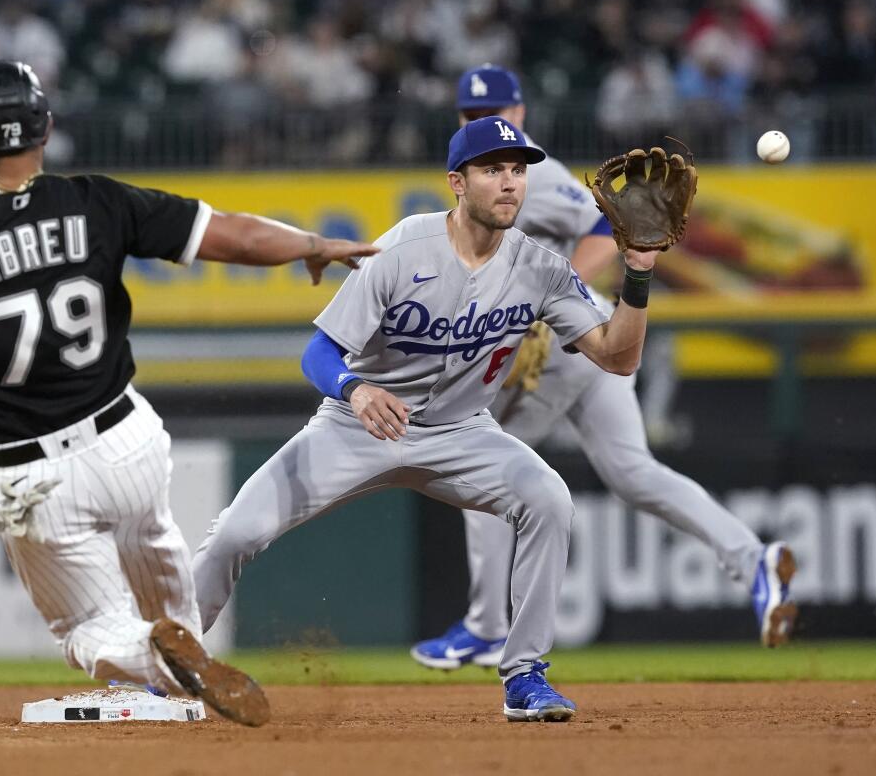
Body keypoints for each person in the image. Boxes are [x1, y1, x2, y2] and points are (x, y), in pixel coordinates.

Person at [0, 60, 376, 727]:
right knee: (162, 563)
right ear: (46, 128)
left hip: (33, 471)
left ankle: (157, 659)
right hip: (126, 439)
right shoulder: (97, 201)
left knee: (88, 627)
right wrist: (310, 244)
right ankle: (183, 654)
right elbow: (230, 234)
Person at [192, 114, 671, 722]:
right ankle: (162, 671)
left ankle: (525, 675)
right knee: (235, 534)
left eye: (518, 171)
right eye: (492, 169)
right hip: (354, 425)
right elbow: (319, 352)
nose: (509, 183)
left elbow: (618, 357)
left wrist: (638, 272)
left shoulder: (542, 267)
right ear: (456, 182)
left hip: (462, 432)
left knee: (548, 499)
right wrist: (357, 389)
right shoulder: (402, 247)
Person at [409, 65, 796, 672]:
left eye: (499, 111)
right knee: (634, 472)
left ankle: (487, 627)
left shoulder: (532, 175)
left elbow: (598, 226)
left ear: (522, 114)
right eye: (471, 114)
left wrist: (548, 298)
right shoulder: (483, 182)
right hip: (585, 339)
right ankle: (754, 561)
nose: (486, 121)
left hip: (569, 338)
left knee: (480, 462)